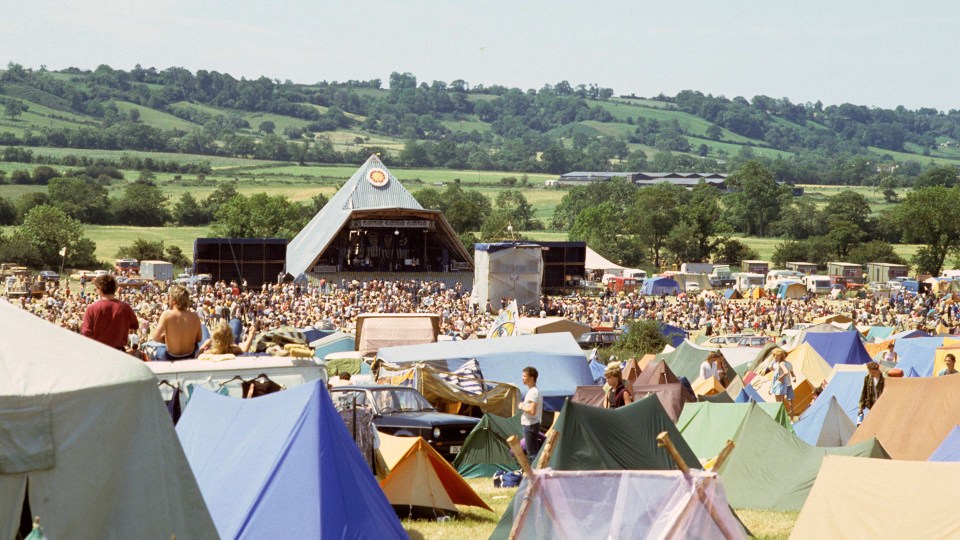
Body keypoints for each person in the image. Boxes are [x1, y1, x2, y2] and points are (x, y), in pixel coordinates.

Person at [81, 274, 138, 351]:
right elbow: (135, 325)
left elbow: (86, 332)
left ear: (99, 289)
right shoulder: (125, 307)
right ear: (115, 288)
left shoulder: (92, 308)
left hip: (98, 351)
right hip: (119, 351)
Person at [149, 285, 203, 359]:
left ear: (174, 301)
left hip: (172, 356)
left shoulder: (167, 315)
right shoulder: (194, 316)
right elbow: (199, 339)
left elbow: (155, 337)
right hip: (189, 355)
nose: (168, 300)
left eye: (169, 298)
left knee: (158, 351)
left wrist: (169, 340)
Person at [519, 366, 543, 464]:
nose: (522, 378)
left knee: (532, 453)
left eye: (524, 376)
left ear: (532, 378)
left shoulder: (533, 392)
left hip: (530, 424)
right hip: (531, 424)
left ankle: (536, 477)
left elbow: (532, 411)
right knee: (533, 452)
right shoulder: (532, 391)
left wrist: (521, 406)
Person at [768, 348, 797, 415]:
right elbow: (792, 374)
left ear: (782, 356)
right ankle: (791, 418)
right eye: (774, 355)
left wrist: (780, 378)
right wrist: (794, 377)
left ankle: (785, 417)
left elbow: (771, 368)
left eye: (777, 355)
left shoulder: (779, 364)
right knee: (789, 403)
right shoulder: (787, 364)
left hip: (782, 384)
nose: (775, 357)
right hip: (787, 384)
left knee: (780, 402)